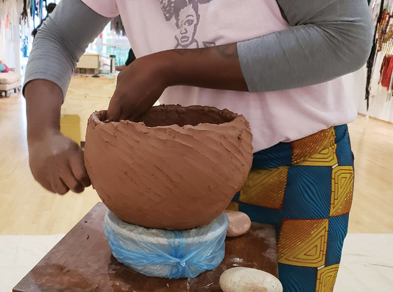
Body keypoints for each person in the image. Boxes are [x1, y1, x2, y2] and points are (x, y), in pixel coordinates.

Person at [23, 0, 373, 290]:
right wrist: (41, 134)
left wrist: (170, 67)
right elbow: (59, 37)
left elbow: (346, 35)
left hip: (299, 165)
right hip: (182, 170)